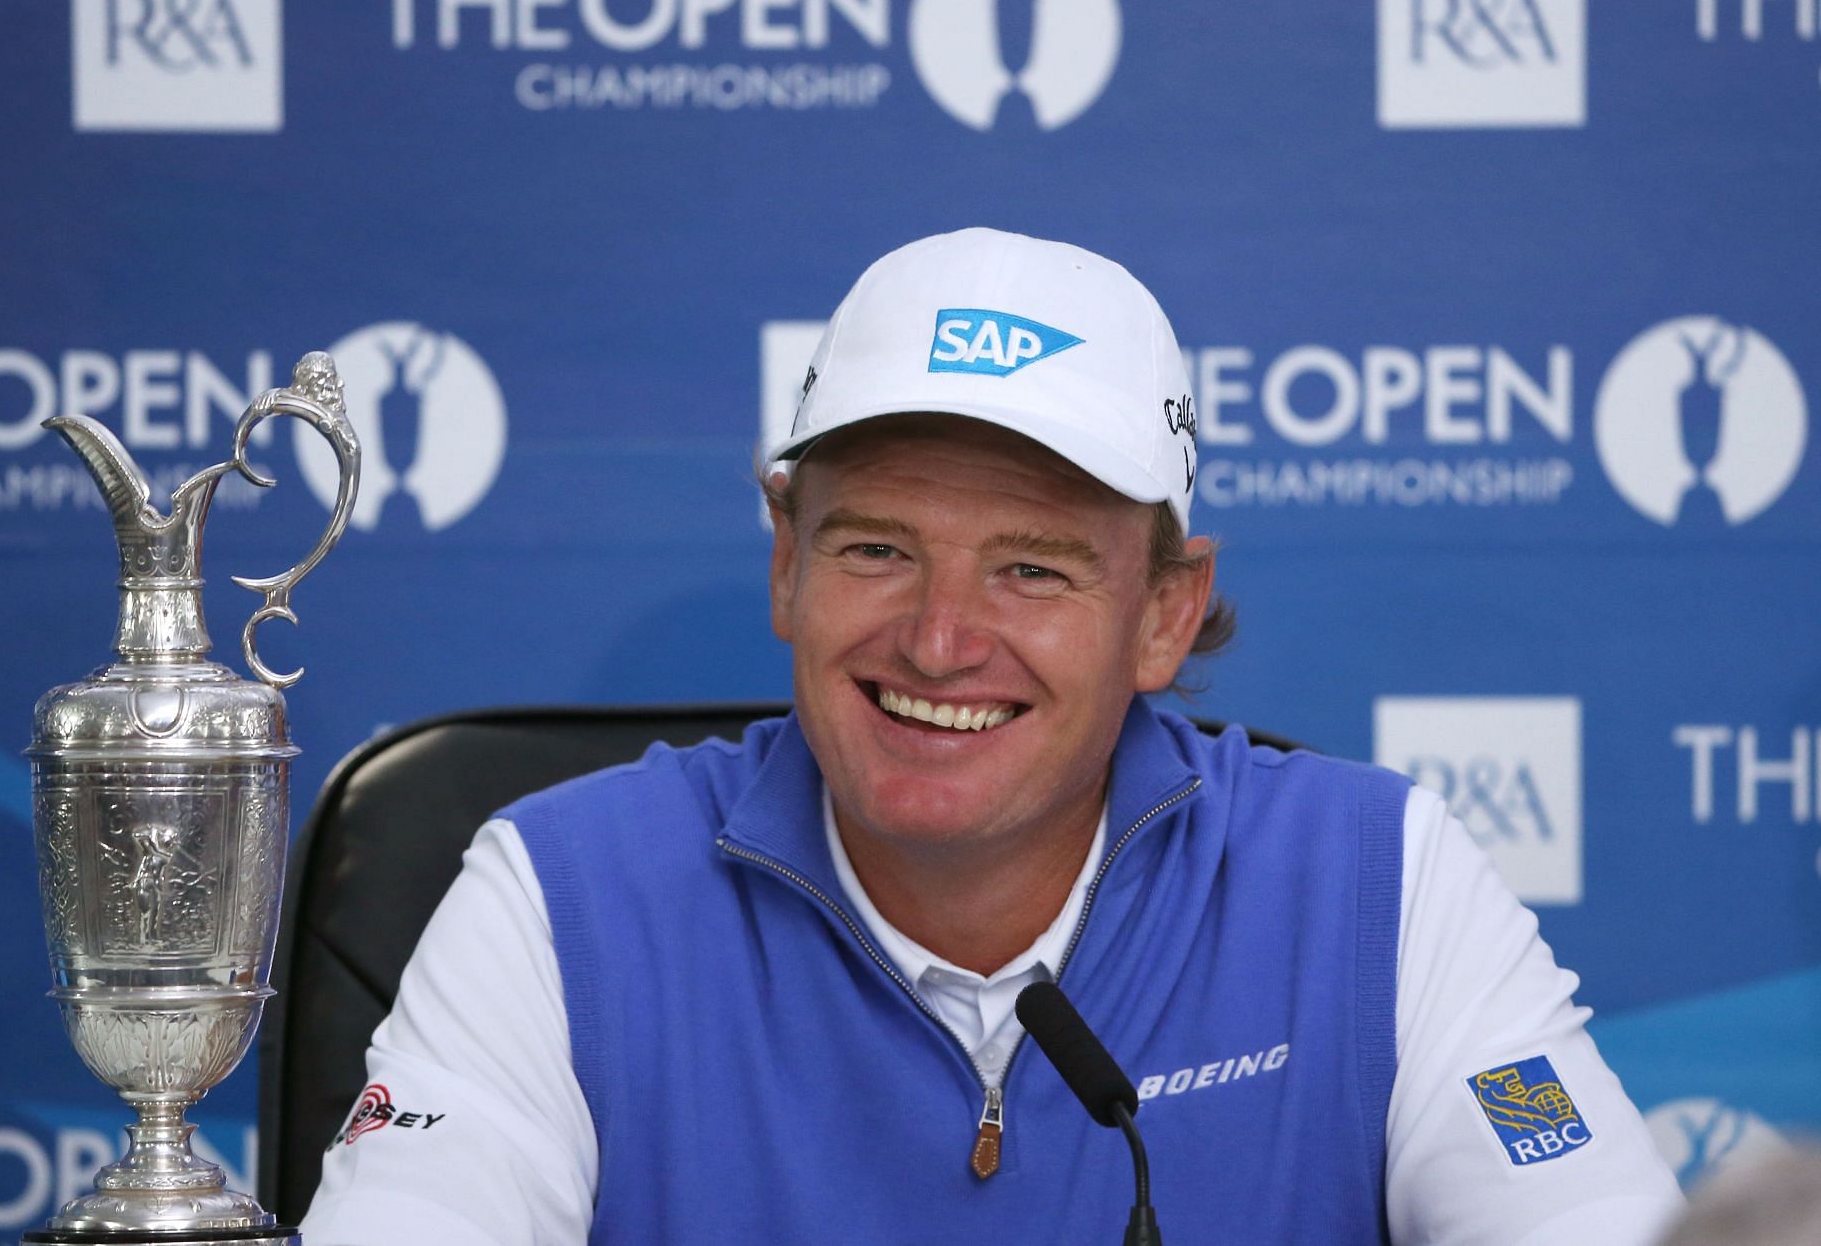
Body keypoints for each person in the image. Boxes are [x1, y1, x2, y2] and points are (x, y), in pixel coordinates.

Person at [301, 228, 1685, 1243]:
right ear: (785, 562)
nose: (942, 637)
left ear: (1163, 611)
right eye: (879, 547)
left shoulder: (1380, 883)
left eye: (1032, 567)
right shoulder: (562, 894)